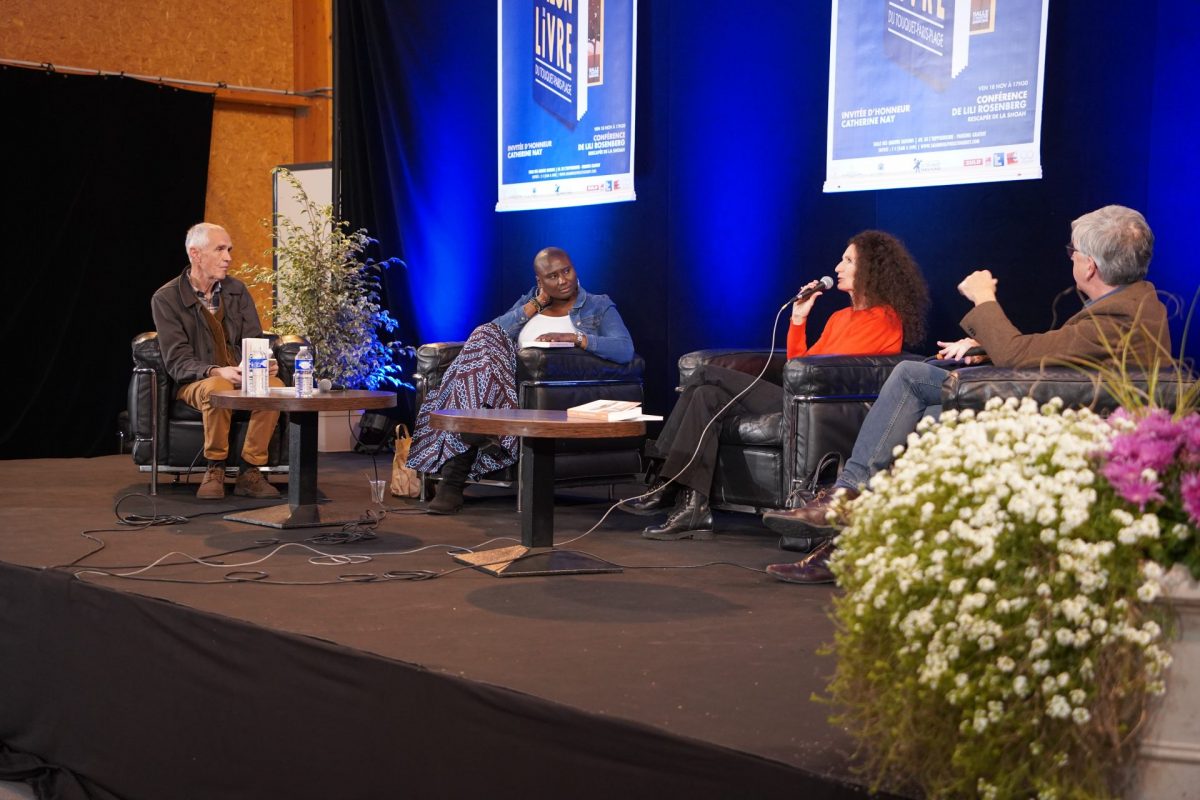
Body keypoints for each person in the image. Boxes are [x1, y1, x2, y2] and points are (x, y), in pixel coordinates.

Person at [763, 204, 1171, 584]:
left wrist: (984, 298)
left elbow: (1023, 355)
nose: (1072, 259)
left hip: (1066, 424)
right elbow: (1053, 354)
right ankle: (852, 542)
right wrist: (982, 350)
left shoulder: (1117, 316)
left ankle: (846, 497)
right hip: (1060, 407)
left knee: (910, 377)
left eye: (1074, 252)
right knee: (929, 418)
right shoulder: (1135, 306)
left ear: (1091, 266)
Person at [622, 231, 930, 540]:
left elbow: (828, 371)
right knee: (705, 394)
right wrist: (798, 320)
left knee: (705, 374)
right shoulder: (839, 317)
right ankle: (694, 508)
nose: (837, 267)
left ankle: (663, 480)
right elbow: (800, 364)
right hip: (795, 396)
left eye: (848, 260)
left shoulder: (884, 319)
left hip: (817, 409)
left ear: (871, 270)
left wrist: (801, 368)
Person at [407, 247, 635, 514]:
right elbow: (492, 333)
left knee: (468, 375)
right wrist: (535, 305)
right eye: (552, 276)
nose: (563, 280)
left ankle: (455, 475)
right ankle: (474, 433)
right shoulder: (530, 303)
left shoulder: (598, 306)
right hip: (498, 383)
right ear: (540, 281)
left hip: (530, 388)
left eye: (567, 271)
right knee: (484, 338)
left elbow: (624, 349)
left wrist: (578, 339)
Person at [151, 223, 285, 500]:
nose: (228, 258)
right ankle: (215, 467)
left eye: (229, 250)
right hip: (197, 382)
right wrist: (216, 370)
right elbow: (177, 361)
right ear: (195, 254)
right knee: (217, 386)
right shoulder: (167, 298)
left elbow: (254, 339)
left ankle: (251, 470)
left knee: (274, 385)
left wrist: (264, 362)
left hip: (240, 377)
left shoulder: (236, 290)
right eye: (220, 249)